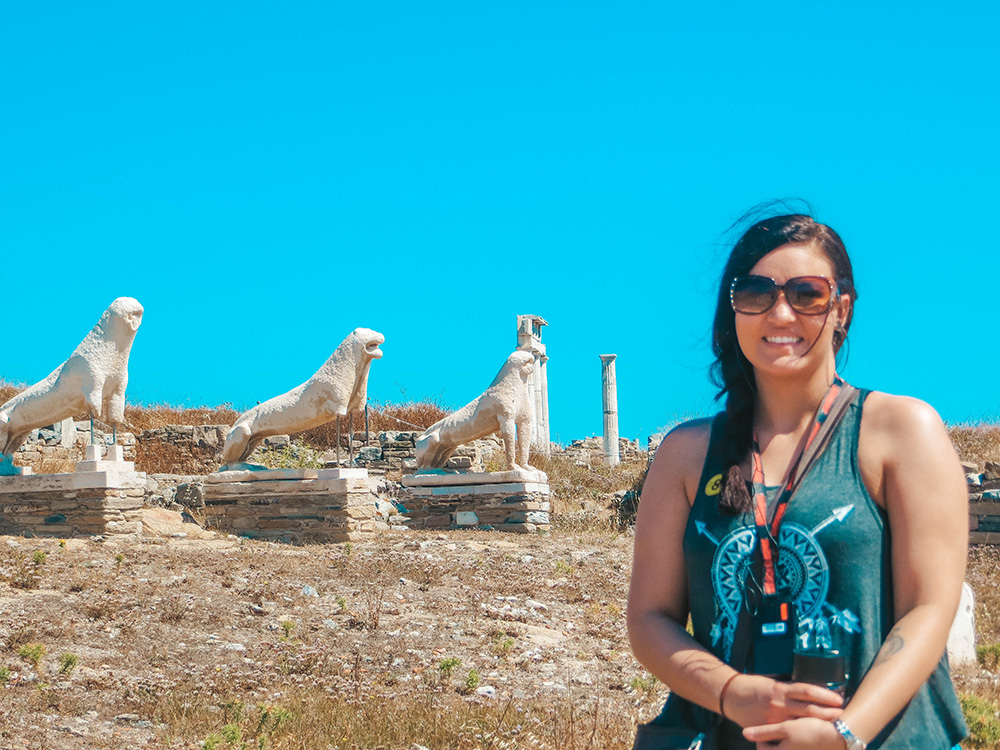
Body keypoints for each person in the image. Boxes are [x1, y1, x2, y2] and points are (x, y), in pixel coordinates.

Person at [626, 210, 968, 749]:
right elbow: (649, 618)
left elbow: (929, 608)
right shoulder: (686, 454)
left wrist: (844, 732)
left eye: (806, 293)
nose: (780, 311)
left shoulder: (901, 431)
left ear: (841, 309)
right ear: (733, 309)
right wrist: (730, 692)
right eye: (756, 292)